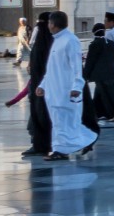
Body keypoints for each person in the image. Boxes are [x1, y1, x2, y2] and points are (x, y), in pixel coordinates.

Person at [39, 11, 96, 160]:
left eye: (50, 23)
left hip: (65, 91)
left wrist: (77, 87)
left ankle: (63, 150)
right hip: (54, 90)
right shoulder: (57, 40)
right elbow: (52, 68)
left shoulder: (70, 40)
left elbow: (77, 66)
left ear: (54, 24)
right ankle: (60, 149)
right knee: (59, 122)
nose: (48, 26)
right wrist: (43, 85)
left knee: (65, 123)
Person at [11, 10, 54, 156]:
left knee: (40, 117)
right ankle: (45, 143)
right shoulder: (52, 42)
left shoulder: (43, 43)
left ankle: (41, 145)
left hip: (40, 88)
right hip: (45, 88)